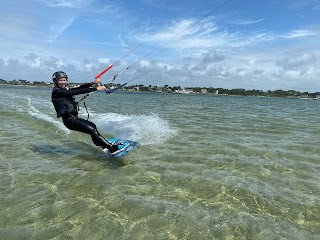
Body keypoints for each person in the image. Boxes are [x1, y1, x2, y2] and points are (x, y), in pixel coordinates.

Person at [51, 71, 120, 154]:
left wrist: (92, 83)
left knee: (93, 126)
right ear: (56, 81)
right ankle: (112, 148)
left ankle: (101, 145)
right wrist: (96, 88)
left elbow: (79, 88)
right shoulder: (58, 92)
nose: (63, 82)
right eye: (60, 80)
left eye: (64, 80)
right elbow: (75, 92)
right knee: (92, 130)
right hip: (69, 120)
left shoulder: (64, 89)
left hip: (73, 118)